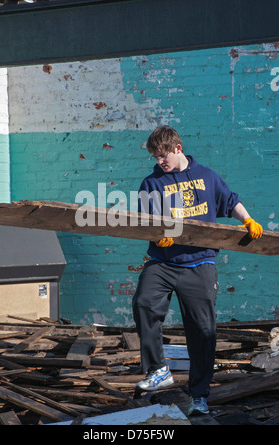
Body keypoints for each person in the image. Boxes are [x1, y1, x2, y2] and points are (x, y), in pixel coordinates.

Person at [132, 125, 263, 416]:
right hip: (163, 262)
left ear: (177, 148)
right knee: (143, 302)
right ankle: (158, 369)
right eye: (155, 157)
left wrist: (248, 220)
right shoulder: (152, 182)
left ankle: (199, 395)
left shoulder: (206, 176)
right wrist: (156, 235)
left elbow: (230, 201)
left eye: (163, 155)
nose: (159, 162)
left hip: (200, 263)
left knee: (202, 331)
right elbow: (144, 219)